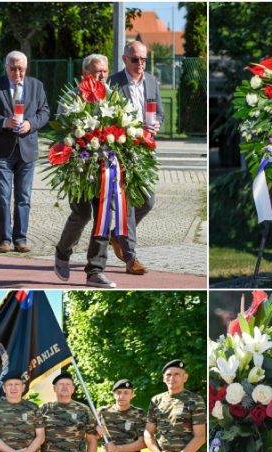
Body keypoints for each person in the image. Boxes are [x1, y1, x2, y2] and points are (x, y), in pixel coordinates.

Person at [54, 54, 122, 288]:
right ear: (84, 73)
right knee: (82, 214)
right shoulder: (71, 97)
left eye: (104, 71)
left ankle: (95, 270)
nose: (101, 75)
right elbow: (63, 131)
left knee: (104, 216)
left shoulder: (113, 97)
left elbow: (122, 125)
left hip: (106, 166)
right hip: (80, 165)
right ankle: (63, 251)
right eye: (96, 71)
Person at [0, 50, 50, 253]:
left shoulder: (36, 86)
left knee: (23, 197)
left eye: (20, 68)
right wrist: (3, 121)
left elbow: (45, 111)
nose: (17, 73)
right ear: (6, 68)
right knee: (3, 195)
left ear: (26, 68)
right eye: (13, 68)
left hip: (27, 149)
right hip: (2, 150)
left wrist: (31, 123)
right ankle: (4, 239)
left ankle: (20, 239)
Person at [107, 41, 163, 276]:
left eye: (143, 59)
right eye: (135, 59)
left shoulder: (151, 81)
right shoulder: (113, 82)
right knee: (126, 205)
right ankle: (131, 258)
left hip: (144, 150)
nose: (140, 63)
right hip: (121, 149)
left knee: (147, 201)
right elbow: (107, 116)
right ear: (124, 59)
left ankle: (117, 236)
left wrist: (158, 123)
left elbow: (159, 111)